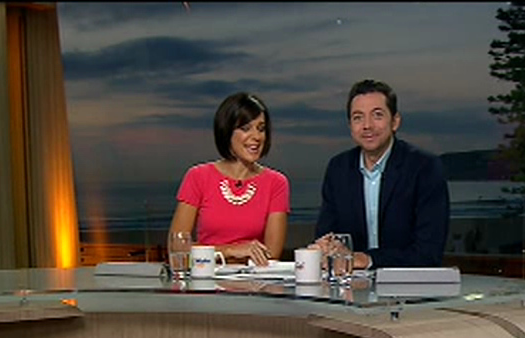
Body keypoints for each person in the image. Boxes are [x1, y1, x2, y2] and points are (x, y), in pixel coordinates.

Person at [314, 79, 449, 269]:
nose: (367, 125)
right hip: (351, 283)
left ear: (395, 122)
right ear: (350, 126)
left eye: (377, 115)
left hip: (408, 282)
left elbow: (428, 253)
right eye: (358, 117)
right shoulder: (339, 169)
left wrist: (367, 259)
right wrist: (325, 248)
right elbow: (326, 236)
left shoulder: (424, 167)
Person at [168, 92, 290, 267]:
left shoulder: (276, 183)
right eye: (246, 128)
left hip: (254, 280)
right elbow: (177, 249)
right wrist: (229, 250)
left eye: (261, 129)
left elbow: (271, 256)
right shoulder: (198, 177)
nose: (257, 136)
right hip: (206, 278)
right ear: (227, 131)